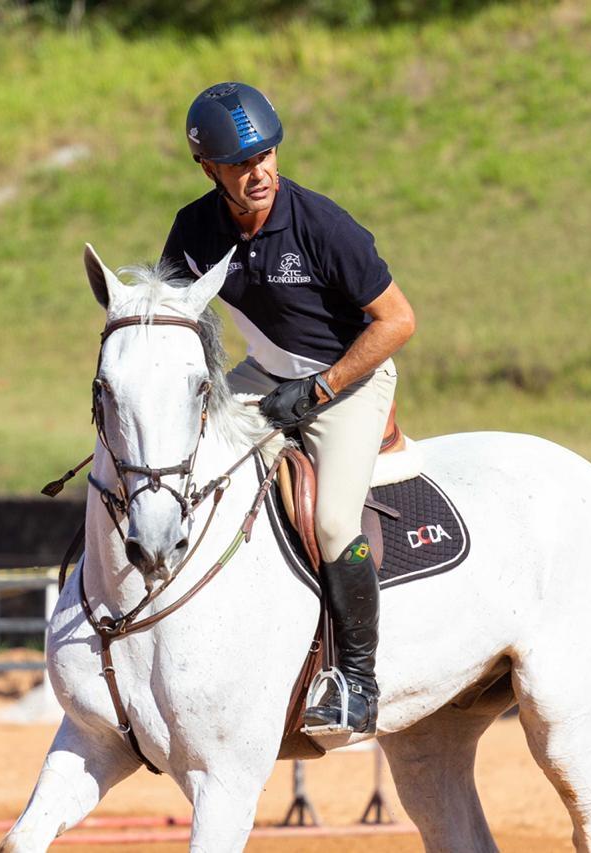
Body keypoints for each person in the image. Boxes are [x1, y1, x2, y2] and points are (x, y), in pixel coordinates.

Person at [160, 82, 416, 735]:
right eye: (243, 164)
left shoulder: (322, 224)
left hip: (350, 380)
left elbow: (398, 320)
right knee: (184, 462)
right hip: (263, 376)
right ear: (209, 169)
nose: (260, 172)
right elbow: (172, 319)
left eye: (267, 155)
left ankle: (357, 681)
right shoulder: (193, 230)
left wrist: (320, 389)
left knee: (332, 521)